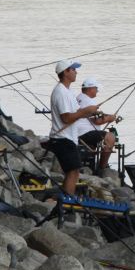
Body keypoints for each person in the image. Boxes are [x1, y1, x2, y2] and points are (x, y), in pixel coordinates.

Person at [43, 59, 105, 196]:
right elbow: (66, 118)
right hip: (62, 139)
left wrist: (91, 111)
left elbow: (77, 114)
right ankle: (68, 203)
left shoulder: (68, 91)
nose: (76, 72)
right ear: (65, 72)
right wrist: (86, 110)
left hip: (69, 138)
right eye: (73, 69)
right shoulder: (60, 92)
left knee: (74, 172)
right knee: (73, 171)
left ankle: (64, 199)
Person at [72, 77, 118, 175]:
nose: (97, 90)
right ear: (90, 89)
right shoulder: (89, 101)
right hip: (84, 133)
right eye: (96, 88)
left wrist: (107, 116)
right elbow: (96, 120)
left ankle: (95, 165)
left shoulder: (79, 98)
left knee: (101, 138)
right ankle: (102, 168)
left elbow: (93, 116)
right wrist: (110, 118)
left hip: (76, 132)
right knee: (110, 138)